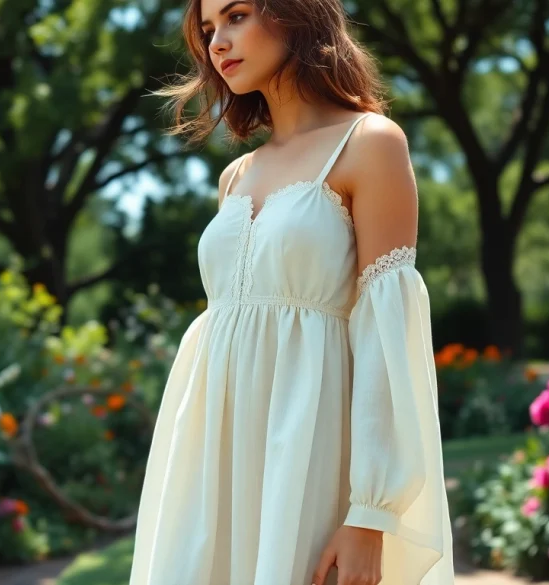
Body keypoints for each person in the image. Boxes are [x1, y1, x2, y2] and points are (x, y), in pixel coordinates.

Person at [127, 0, 455, 584]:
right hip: (213, 455)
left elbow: (387, 334)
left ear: (295, 14)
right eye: (207, 30)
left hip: (309, 450)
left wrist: (370, 515)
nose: (217, 43)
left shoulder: (370, 142)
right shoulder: (236, 175)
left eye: (237, 16)